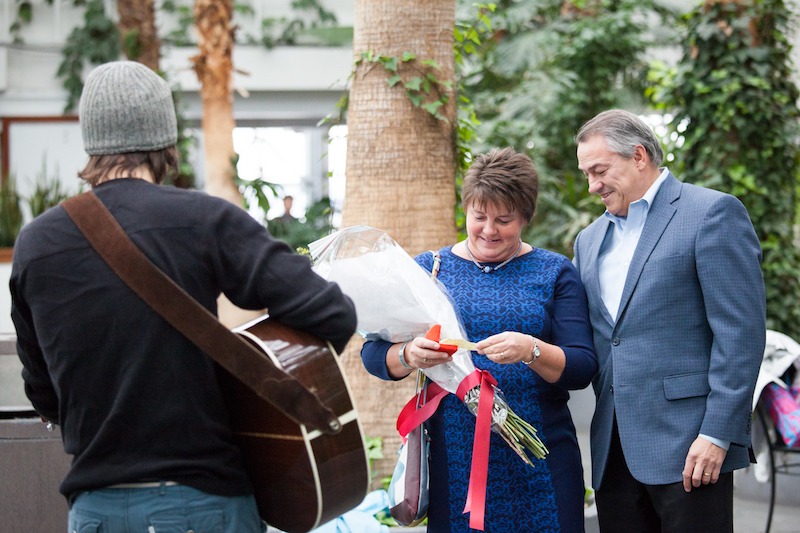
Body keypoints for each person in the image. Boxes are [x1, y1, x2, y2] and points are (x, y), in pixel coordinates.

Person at [10, 61, 357, 533]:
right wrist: (253, 384)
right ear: (166, 140)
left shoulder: (35, 243)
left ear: (90, 140)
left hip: (95, 511)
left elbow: (44, 393)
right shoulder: (205, 220)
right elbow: (331, 312)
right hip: (204, 506)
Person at [361, 147, 598, 532]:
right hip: (455, 459)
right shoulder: (429, 270)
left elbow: (581, 367)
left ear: (525, 217)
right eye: (479, 216)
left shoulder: (555, 272)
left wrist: (531, 350)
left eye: (504, 220)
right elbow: (372, 354)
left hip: (540, 456)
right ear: (466, 210)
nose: (489, 230)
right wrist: (407, 353)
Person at [572, 109, 766, 533]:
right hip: (613, 452)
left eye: (599, 170)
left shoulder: (711, 212)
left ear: (639, 156)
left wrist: (717, 433)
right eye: (586, 174)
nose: (592, 186)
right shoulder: (587, 241)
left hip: (692, 449)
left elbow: (740, 335)